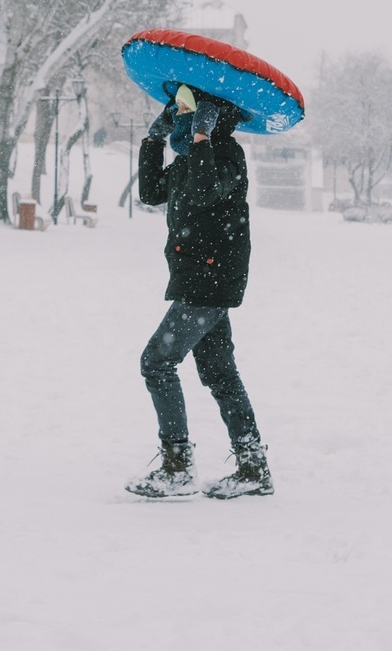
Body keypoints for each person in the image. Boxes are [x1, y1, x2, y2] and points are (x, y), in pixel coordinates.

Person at [125, 84, 271, 500]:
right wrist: (153, 141)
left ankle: (176, 467)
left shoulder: (226, 155)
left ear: (212, 114)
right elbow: (151, 192)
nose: (180, 112)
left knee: (156, 363)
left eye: (189, 107)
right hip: (198, 281)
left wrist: (204, 138)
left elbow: (208, 191)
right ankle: (252, 467)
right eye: (179, 107)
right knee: (221, 375)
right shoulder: (190, 158)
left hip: (208, 284)